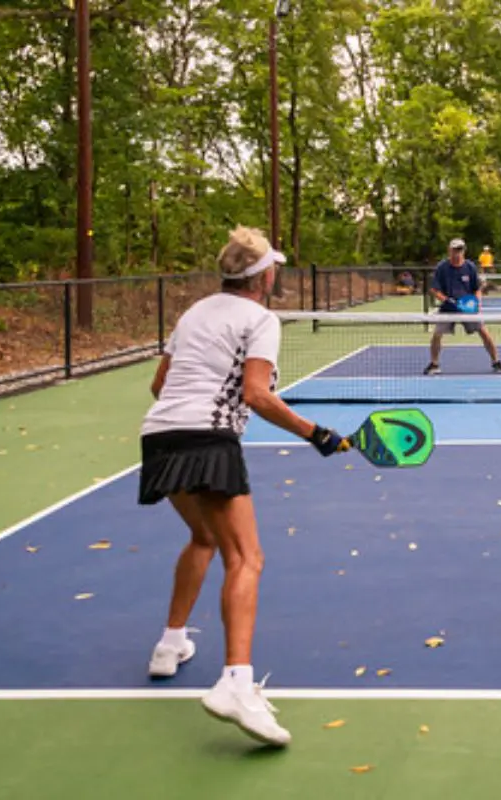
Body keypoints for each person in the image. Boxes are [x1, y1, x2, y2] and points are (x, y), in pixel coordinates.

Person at [139, 226, 345, 746]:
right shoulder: (260, 319)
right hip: (209, 440)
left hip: (160, 436)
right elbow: (256, 394)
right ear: (264, 276)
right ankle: (236, 681)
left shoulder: (192, 314)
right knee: (246, 558)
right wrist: (315, 433)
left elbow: (160, 385)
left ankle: (170, 645)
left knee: (205, 539)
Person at [425, 239, 501, 375]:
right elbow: (434, 289)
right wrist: (446, 300)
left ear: (463, 251)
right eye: (455, 250)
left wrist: (477, 303)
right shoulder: (442, 267)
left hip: (467, 308)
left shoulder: (470, 267)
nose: (457, 253)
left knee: (484, 333)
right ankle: (434, 364)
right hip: (448, 309)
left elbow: (477, 289)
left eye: (460, 250)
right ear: (449, 250)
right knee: (437, 335)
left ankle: (496, 362)